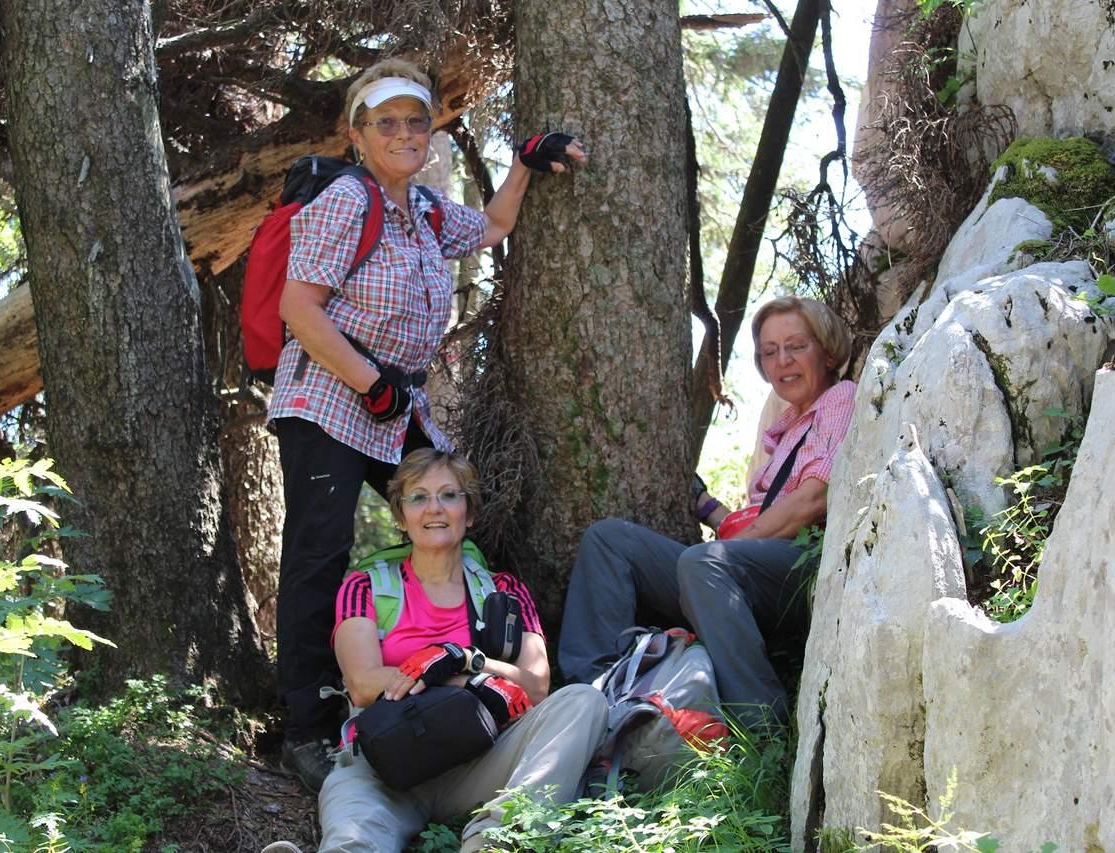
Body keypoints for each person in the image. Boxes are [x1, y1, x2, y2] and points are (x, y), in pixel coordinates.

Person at [266, 57, 586, 790]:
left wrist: (524, 162)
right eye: (387, 123)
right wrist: (369, 381)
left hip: (394, 405)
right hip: (329, 399)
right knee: (319, 552)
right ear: (357, 135)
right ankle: (307, 728)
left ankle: (473, 679)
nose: (405, 133)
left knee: (453, 515)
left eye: (417, 121)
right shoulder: (346, 200)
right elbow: (298, 308)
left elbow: (495, 223)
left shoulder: (427, 210)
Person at [263, 449, 608, 853]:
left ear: (469, 512)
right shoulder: (365, 586)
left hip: (481, 756)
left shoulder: (503, 591)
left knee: (583, 701)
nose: (434, 508)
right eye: (418, 497)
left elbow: (536, 686)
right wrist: (457, 677)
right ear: (401, 516)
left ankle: (495, 842)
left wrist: (466, 660)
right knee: (352, 835)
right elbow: (362, 684)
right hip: (382, 763)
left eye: (449, 495)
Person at [557, 296, 856, 730]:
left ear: (827, 351)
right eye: (769, 352)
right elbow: (764, 518)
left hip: (807, 568)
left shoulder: (840, 398)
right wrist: (709, 509)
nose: (782, 361)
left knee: (703, 563)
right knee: (609, 541)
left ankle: (762, 728)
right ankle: (593, 701)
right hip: (752, 567)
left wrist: (724, 550)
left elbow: (814, 499)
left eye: (796, 346)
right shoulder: (789, 425)